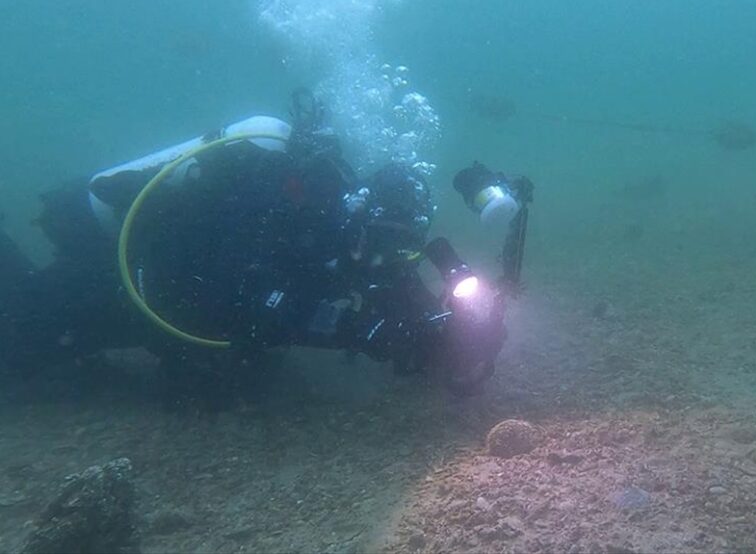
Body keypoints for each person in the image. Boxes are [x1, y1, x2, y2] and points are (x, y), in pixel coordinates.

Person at [0, 92, 528, 396]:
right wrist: (364, 331)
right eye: (390, 244)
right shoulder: (283, 211)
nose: (394, 261)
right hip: (140, 280)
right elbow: (248, 300)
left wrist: (454, 333)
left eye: (406, 247)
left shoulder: (367, 233)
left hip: (183, 293)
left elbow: (403, 315)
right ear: (361, 212)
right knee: (18, 341)